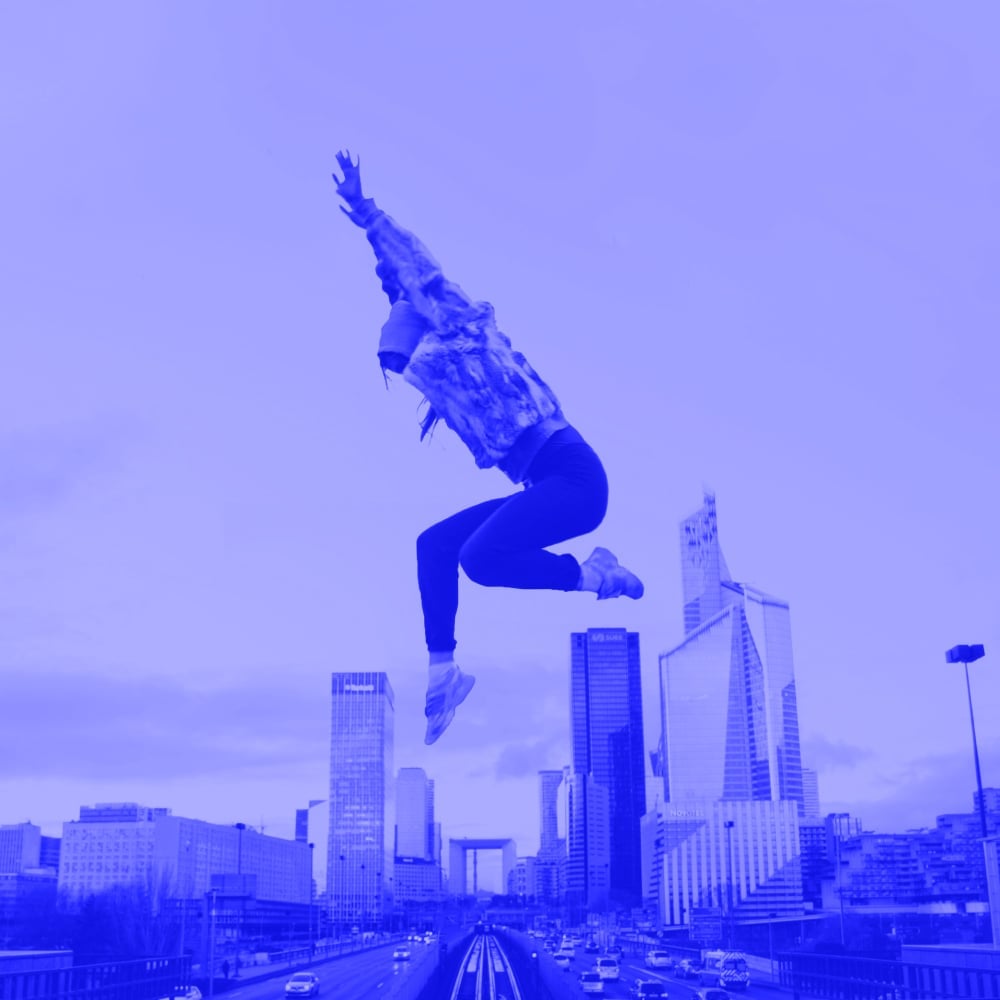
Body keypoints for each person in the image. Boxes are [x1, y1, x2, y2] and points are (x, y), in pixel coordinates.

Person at [332, 150, 644, 745]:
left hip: (577, 480)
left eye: (404, 358)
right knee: (436, 545)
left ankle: (593, 576)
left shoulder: (459, 327)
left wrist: (367, 213)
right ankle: (443, 672)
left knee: (478, 559)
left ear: (423, 330)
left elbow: (414, 275)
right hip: (548, 485)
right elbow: (394, 288)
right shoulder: (437, 362)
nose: (408, 372)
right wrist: (383, 277)